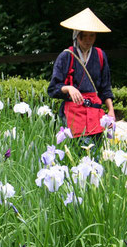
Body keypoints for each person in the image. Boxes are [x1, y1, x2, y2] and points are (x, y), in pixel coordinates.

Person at [48, 8, 115, 149]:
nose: (87, 40)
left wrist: (111, 111)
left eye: (91, 36)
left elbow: (105, 87)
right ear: (76, 36)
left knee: (96, 152)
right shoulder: (66, 56)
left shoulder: (100, 55)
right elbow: (53, 88)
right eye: (83, 36)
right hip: (74, 112)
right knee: (80, 152)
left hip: (95, 112)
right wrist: (68, 88)